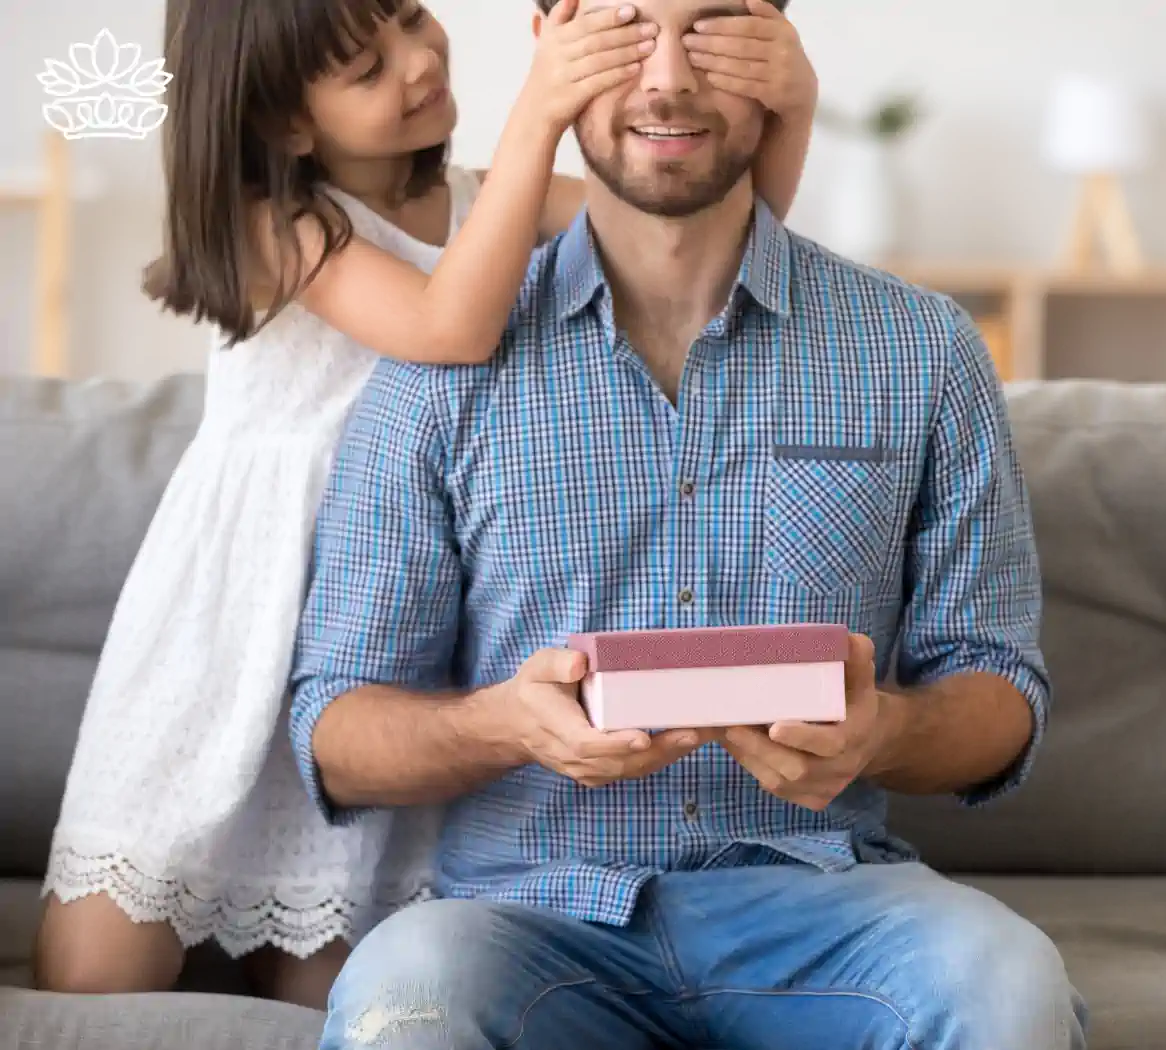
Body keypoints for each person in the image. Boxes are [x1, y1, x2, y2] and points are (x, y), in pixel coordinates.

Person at [289, 0, 1089, 1045]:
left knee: (1006, 985)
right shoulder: (437, 378)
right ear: (553, 51)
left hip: (828, 910)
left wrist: (884, 729)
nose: (665, 79)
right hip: (527, 920)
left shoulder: (920, 350)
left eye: (710, 31)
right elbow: (335, 732)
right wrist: (503, 724)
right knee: (410, 998)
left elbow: (999, 694)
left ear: (779, 59)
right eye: (626, 31)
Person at [34, 0, 816, 1008]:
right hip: (246, 607)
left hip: (392, 597)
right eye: (366, 67)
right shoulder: (275, 222)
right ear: (286, 123)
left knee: (330, 967)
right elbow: (450, 325)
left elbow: (716, 232)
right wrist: (537, 113)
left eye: (411, 19)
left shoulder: (489, 201)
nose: (416, 61)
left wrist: (789, 108)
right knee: (100, 970)